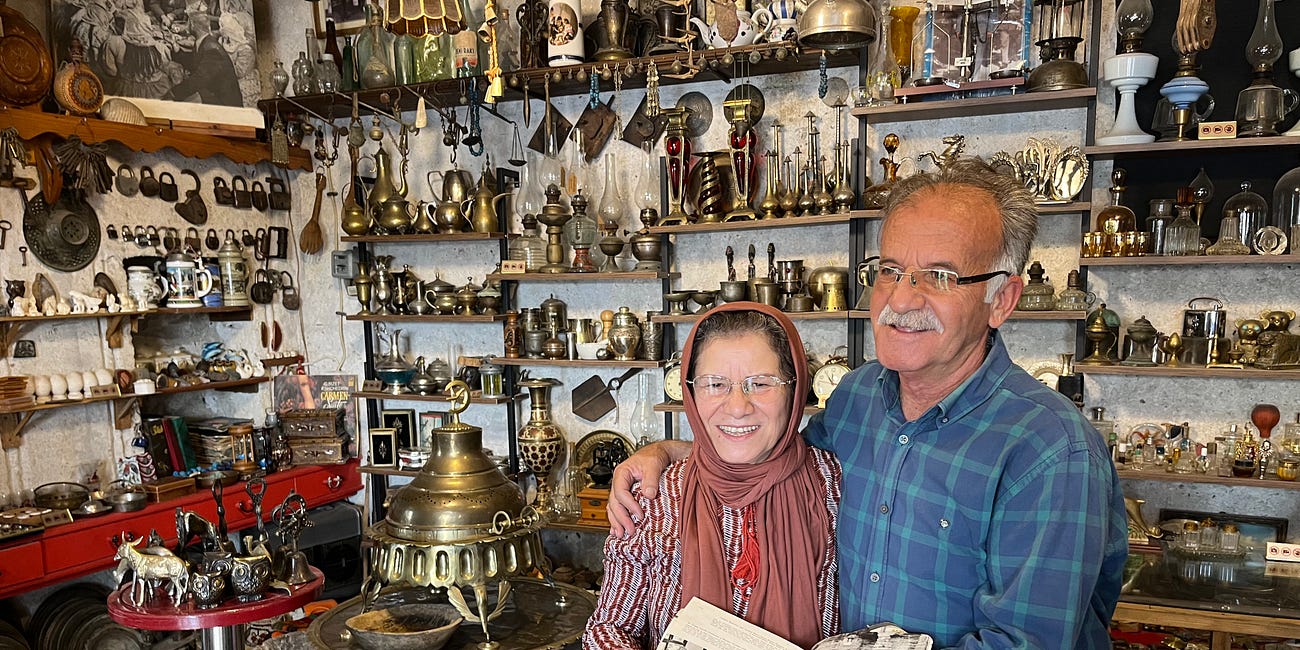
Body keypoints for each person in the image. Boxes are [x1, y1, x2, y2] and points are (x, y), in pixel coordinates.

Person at [608, 158, 1129, 649]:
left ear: (1002, 299)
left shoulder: (1051, 450)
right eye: (890, 269)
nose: (900, 300)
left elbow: (1024, 644)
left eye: (941, 276)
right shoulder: (858, 397)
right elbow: (766, 452)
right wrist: (667, 452)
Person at [584, 302, 841, 650]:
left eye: (761, 383)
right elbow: (608, 628)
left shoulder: (836, 487)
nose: (737, 406)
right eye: (715, 384)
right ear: (691, 392)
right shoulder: (653, 495)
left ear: (794, 389)